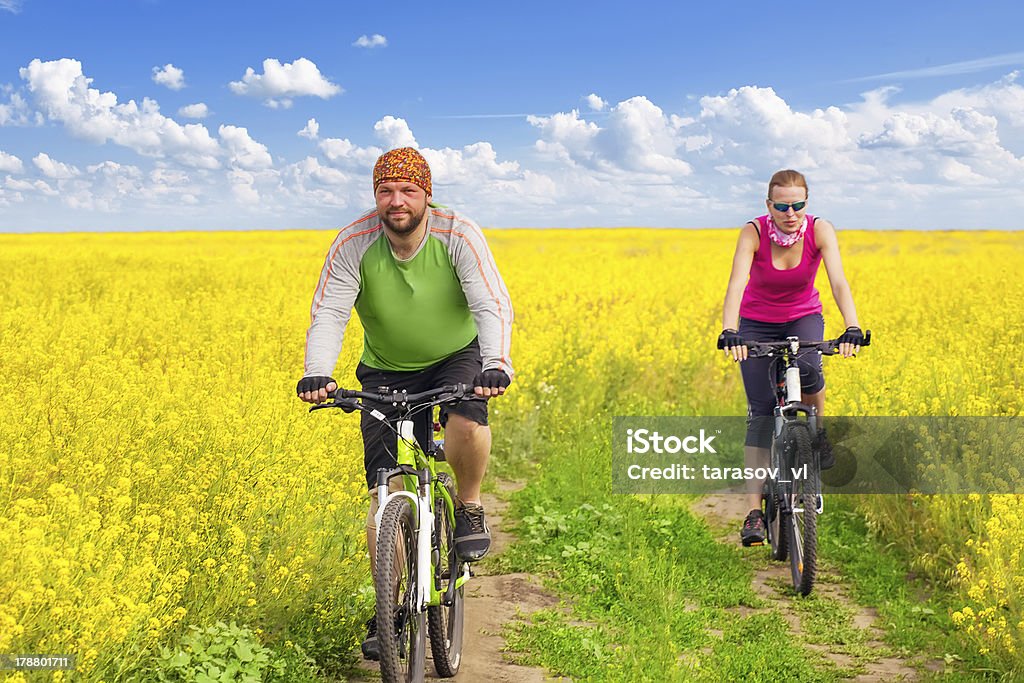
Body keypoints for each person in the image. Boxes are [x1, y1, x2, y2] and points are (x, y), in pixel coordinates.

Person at [296, 147, 514, 659]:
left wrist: (497, 364)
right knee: (385, 492)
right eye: (386, 191)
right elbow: (330, 309)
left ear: (426, 195)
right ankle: (389, 605)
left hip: (457, 357)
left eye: (407, 190)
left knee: (464, 420)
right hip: (386, 366)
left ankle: (471, 505)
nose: (397, 201)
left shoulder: (457, 234)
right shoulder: (354, 241)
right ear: (375, 196)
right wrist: (317, 373)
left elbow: (490, 301)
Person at [718, 169, 864, 547]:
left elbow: (838, 282)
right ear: (769, 206)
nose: (791, 212)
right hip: (756, 322)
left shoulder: (820, 230)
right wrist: (730, 330)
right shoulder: (753, 232)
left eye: (798, 204)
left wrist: (852, 326)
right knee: (762, 412)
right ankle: (753, 512)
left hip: (803, 316)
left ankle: (819, 435)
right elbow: (736, 282)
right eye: (782, 205)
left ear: (806, 203)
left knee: (812, 371)